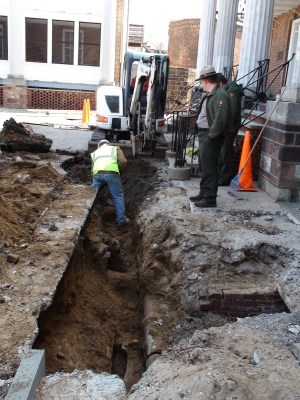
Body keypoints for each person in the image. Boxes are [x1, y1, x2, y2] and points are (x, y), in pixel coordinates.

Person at [189, 65, 230, 208]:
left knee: (210, 167)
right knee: (204, 166)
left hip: (210, 136)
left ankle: (210, 198)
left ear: (206, 80)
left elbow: (221, 118)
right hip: (205, 134)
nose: (201, 84)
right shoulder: (212, 93)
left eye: (201, 81)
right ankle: (204, 192)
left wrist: (212, 136)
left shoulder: (220, 95)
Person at [91, 139, 129, 228]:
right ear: (109, 144)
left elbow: (92, 168)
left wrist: (96, 178)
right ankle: (121, 221)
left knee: (93, 196)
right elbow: (123, 161)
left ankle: (92, 218)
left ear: (99, 146)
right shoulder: (115, 148)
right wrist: (119, 172)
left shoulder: (95, 153)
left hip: (97, 174)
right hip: (111, 174)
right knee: (118, 196)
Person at [217, 73, 244, 186]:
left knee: (225, 152)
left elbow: (231, 112)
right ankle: (220, 175)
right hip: (224, 127)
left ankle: (224, 178)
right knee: (222, 151)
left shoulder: (231, 91)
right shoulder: (226, 90)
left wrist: (223, 125)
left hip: (229, 128)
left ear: (220, 83)